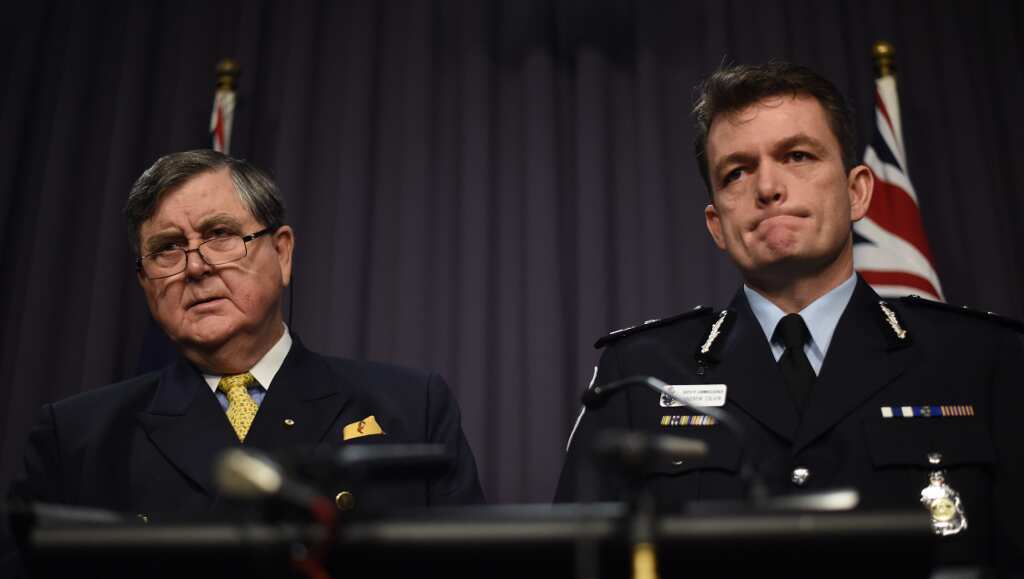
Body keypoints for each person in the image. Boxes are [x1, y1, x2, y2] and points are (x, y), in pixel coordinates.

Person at [555, 62, 1023, 571]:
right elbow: (573, 564)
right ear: (717, 223)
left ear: (858, 191)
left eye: (797, 156)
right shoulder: (638, 375)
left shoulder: (982, 360)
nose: (768, 187)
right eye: (736, 172)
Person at [9, 150, 484, 521]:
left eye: (220, 235)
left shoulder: (410, 407)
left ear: (281, 254)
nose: (195, 267)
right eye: (167, 249)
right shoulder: (77, 438)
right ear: (145, 281)